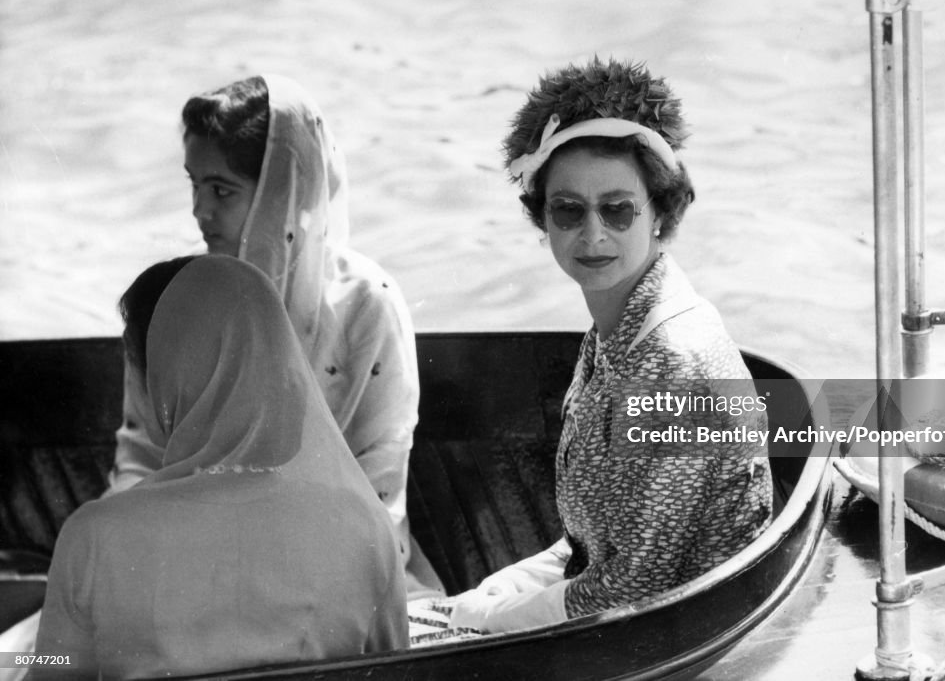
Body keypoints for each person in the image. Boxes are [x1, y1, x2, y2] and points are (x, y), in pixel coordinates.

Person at [449, 57, 774, 633]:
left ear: (660, 211)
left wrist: (491, 621)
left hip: (690, 642)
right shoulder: (618, 330)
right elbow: (596, 545)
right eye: (568, 210)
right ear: (542, 218)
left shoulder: (671, 359)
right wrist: (505, 591)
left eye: (618, 209)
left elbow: (636, 587)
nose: (592, 235)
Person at [107, 75, 437, 593]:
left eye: (221, 190)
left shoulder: (367, 302)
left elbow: (378, 480)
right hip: (185, 558)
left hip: (337, 566)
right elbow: (140, 458)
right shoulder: (175, 301)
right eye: (194, 184)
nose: (199, 210)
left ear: (283, 191)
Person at [32, 256, 407, 678]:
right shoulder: (364, 526)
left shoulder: (96, 536)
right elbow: (400, 669)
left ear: (165, 374)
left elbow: (52, 669)